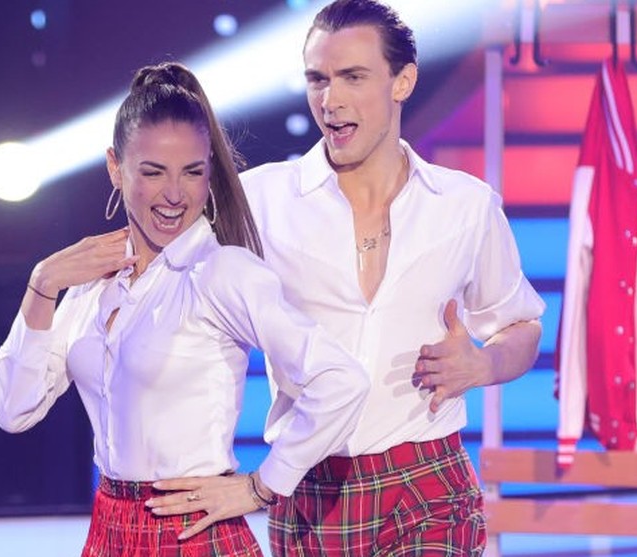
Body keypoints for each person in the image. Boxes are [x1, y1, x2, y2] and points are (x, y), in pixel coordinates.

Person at [151, 1, 546, 556]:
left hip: (427, 482)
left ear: (402, 81)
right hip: (310, 486)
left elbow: (521, 325)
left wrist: (483, 363)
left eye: (352, 78)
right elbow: (171, 288)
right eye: (317, 79)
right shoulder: (261, 200)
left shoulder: (465, 205)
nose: (330, 102)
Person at [0, 61, 370, 557]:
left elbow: (341, 381)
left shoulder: (221, 272)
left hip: (192, 533)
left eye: (192, 172)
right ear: (115, 167)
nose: (175, 194)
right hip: (109, 529)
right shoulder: (91, 288)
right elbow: (14, 410)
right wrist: (42, 285)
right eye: (153, 172)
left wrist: (263, 485)